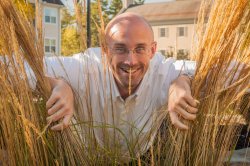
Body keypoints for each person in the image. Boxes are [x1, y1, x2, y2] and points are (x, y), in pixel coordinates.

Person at [44, 12, 198, 155]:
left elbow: (218, 71)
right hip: (86, 158)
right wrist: (56, 83)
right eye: (120, 49)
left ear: (152, 50)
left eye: (140, 49)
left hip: (142, 157)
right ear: (105, 50)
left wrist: (184, 80)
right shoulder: (85, 68)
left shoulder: (165, 71)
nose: (130, 61)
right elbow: (23, 68)